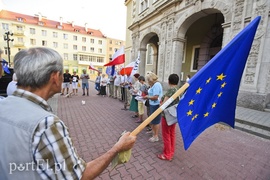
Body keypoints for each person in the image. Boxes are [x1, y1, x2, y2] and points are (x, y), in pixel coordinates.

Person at [0, 47, 136, 180]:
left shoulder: (3, 104)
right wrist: (117, 148)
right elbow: (79, 176)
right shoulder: (45, 123)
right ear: (55, 77)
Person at [158, 73, 180, 161]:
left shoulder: (170, 90)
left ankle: (167, 154)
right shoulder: (179, 90)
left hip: (167, 115)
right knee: (172, 134)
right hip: (174, 115)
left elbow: (164, 104)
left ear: (169, 81)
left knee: (166, 134)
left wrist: (160, 104)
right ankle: (171, 152)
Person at [143, 72, 163, 142]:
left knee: (156, 121)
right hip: (152, 104)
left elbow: (155, 97)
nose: (148, 82)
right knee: (152, 120)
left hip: (156, 104)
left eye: (148, 80)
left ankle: (156, 136)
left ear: (151, 79)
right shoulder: (153, 85)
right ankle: (153, 132)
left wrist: (147, 97)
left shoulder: (156, 85)